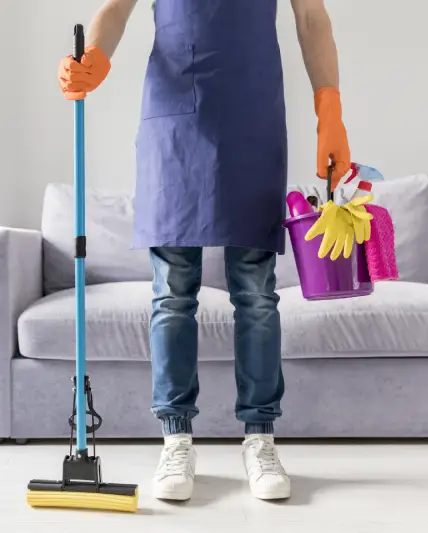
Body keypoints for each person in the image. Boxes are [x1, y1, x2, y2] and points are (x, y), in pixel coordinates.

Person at [57, 0, 351, 501]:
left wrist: (329, 105)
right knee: (173, 291)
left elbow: (311, 16)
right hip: (174, 122)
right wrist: (96, 59)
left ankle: (260, 438)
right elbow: (115, 10)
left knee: (256, 291)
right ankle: (176, 439)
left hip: (253, 116)